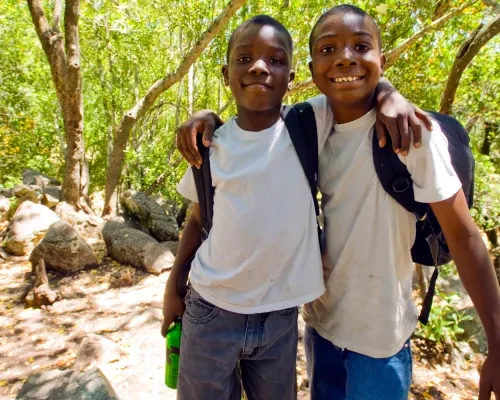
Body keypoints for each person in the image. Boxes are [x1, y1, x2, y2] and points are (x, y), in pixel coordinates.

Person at [175, 5, 500, 400]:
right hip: (321, 327)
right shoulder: (307, 125)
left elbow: (465, 237)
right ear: (312, 72)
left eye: (360, 46)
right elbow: (247, 136)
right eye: (329, 49)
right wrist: (205, 116)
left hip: (380, 341)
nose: (345, 57)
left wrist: (497, 343)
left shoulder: (410, 134)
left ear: (381, 59)